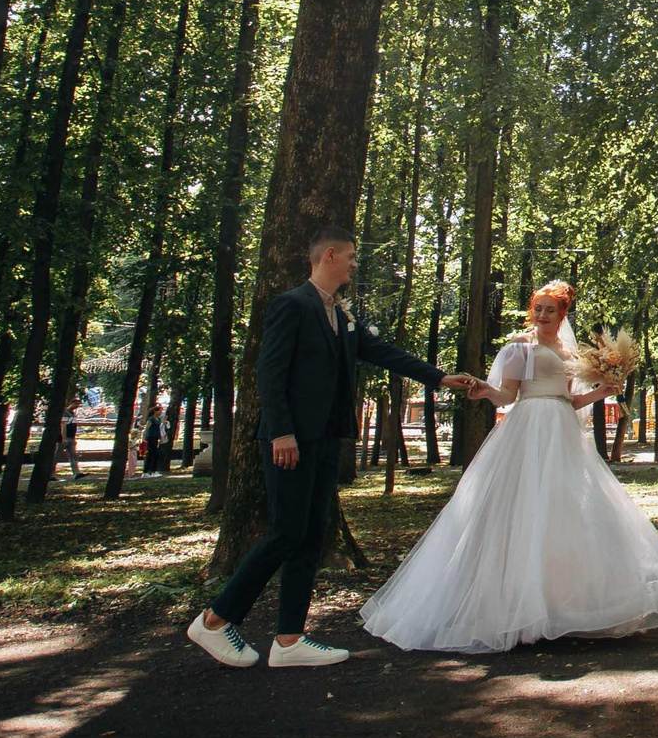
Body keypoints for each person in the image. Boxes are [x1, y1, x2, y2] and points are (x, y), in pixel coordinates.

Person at [188, 227, 486, 670]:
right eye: (349, 257)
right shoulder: (292, 305)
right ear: (329, 255)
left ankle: (289, 640)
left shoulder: (342, 315)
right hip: (291, 441)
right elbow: (269, 374)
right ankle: (215, 619)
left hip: (327, 439)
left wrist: (442, 379)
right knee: (286, 532)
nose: (353, 265)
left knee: (310, 535)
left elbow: (384, 352)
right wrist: (282, 433)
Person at [360, 280, 658, 654]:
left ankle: (566, 606)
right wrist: (484, 390)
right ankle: (516, 608)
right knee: (521, 507)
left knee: (564, 510)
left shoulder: (569, 352)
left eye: (550, 310)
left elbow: (568, 400)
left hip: (561, 428)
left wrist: (601, 392)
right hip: (529, 429)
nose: (542, 315)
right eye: (537, 308)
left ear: (562, 315)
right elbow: (507, 396)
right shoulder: (519, 348)